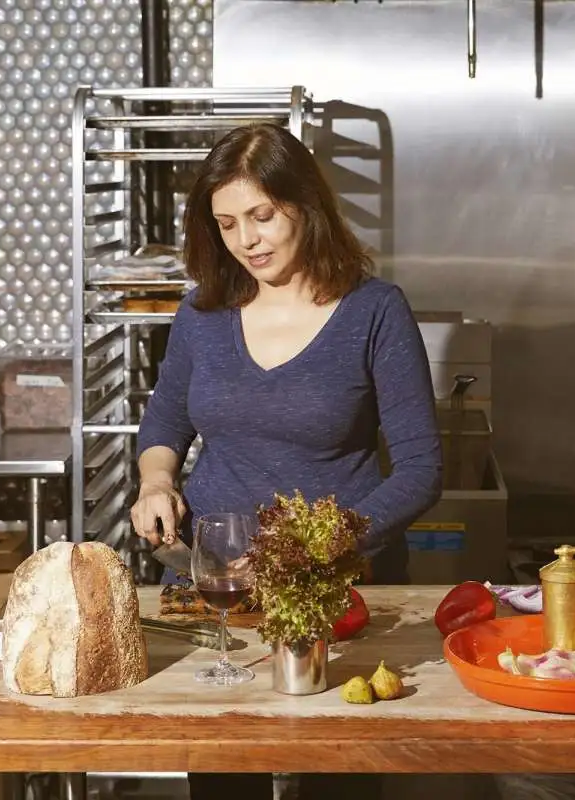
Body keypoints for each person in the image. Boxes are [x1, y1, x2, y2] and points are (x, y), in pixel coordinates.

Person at [130, 122, 443, 800]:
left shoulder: (374, 312)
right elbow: (166, 419)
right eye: (227, 224)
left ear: (305, 203)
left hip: (340, 597)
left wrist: (308, 550)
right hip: (221, 598)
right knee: (224, 778)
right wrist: (157, 479)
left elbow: (421, 470)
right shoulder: (203, 313)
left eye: (262, 216)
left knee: (340, 777)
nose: (247, 240)